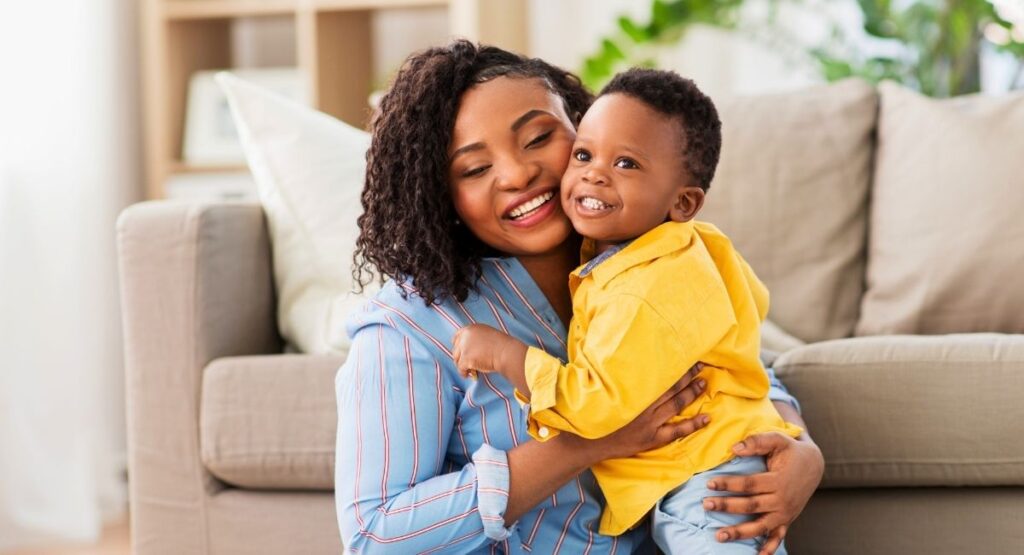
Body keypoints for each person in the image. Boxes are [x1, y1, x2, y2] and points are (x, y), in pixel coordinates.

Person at [335, 40, 824, 555]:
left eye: (539, 138)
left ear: (580, 122)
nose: (517, 174)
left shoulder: (649, 253)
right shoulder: (407, 325)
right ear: (440, 193)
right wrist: (589, 441)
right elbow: (374, 535)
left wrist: (801, 448)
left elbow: (731, 358)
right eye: (475, 169)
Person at [450, 68, 803, 554]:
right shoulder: (686, 246)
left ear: (683, 202)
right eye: (584, 155)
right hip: (711, 458)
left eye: (626, 164)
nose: (595, 173)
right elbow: (748, 313)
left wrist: (506, 355)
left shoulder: (642, 288)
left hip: (707, 476)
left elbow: (596, 408)